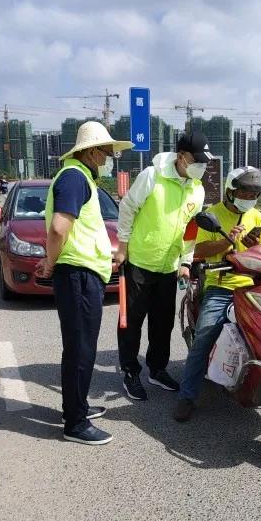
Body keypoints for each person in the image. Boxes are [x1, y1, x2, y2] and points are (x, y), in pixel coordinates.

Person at [35, 121, 133, 445]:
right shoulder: (75, 177)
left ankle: (76, 408)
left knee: (80, 347)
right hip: (78, 275)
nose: (109, 160)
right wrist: (51, 263)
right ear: (91, 152)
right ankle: (75, 424)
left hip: (82, 274)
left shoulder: (77, 178)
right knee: (80, 349)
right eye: (107, 153)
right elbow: (59, 228)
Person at [115, 131, 211, 401]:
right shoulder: (152, 175)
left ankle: (157, 369)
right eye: (197, 160)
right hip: (139, 262)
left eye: (204, 162)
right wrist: (122, 246)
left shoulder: (197, 189)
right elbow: (127, 208)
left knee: (162, 324)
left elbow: (190, 230)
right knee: (130, 322)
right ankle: (130, 371)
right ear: (181, 157)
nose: (201, 166)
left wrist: (185, 262)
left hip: (168, 266)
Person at [174, 167, 261, 422]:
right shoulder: (211, 215)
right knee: (204, 336)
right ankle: (187, 396)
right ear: (230, 192)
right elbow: (200, 250)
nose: (249, 199)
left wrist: (255, 247)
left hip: (252, 285)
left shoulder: (257, 217)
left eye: (254, 195)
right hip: (222, 286)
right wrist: (227, 241)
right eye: (244, 193)